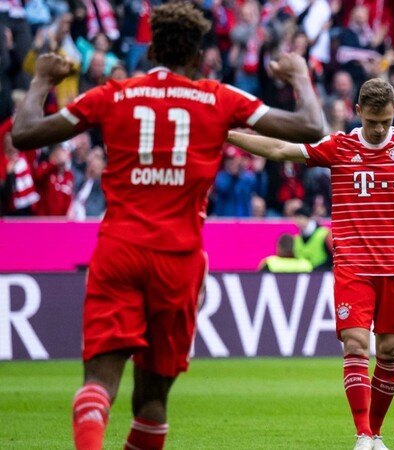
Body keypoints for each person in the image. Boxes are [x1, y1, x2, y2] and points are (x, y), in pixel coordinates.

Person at [10, 3, 324, 449]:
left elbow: (23, 135)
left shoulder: (112, 94)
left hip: (119, 249)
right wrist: (298, 75)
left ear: (151, 48)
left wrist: (43, 78)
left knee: (99, 383)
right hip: (178, 262)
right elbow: (312, 126)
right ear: (198, 57)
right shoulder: (219, 97)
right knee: (153, 399)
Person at [226, 77, 394, 450]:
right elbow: (281, 149)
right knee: (357, 344)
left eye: (384, 121)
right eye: (371, 121)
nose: (378, 130)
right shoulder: (340, 147)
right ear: (357, 112)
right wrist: (228, 135)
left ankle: (376, 434)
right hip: (353, 266)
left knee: (390, 351)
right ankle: (362, 435)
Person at [291, 205, 334, 271]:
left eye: (300, 218)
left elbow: (332, 258)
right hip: (304, 274)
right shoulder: (297, 239)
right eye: (296, 219)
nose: (298, 222)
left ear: (309, 218)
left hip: (322, 272)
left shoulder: (324, 233)